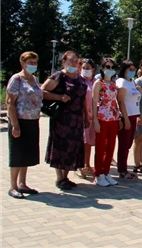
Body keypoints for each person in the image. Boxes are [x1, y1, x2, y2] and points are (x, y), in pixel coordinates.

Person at [42, 51, 88, 190]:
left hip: (77, 119)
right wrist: (59, 97)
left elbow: (83, 100)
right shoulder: (59, 76)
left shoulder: (79, 79)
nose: (74, 63)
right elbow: (42, 91)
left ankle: (66, 177)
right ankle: (59, 178)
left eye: (76, 61)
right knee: (61, 147)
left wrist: (85, 115)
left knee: (72, 148)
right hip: (62, 118)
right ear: (64, 62)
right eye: (71, 61)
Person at [6, 51, 43, 199]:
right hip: (19, 121)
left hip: (32, 120)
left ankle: (22, 183)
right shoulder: (17, 79)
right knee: (17, 153)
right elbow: (10, 103)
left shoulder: (34, 79)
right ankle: (13, 186)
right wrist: (15, 125)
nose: (33, 65)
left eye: (35, 62)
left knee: (27, 153)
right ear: (23, 63)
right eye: (30, 62)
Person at [92, 57, 121, 187]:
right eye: (107, 67)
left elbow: (115, 101)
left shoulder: (114, 84)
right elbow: (94, 102)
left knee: (110, 146)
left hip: (113, 118)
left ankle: (106, 172)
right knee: (100, 146)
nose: (110, 70)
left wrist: (118, 117)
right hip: (102, 117)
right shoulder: (98, 83)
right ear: (102, 68)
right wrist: (95, 120)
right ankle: (98, 174)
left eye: (112, 68)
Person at [116, 60, 142, 180]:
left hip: (133, 116)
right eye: (129, 70)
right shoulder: (121, 82)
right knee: (123, 144)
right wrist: (125, 119)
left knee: (128, 144)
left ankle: (124, 167)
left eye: (133, 69)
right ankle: (122, 170)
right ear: (124, 70)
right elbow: (121, 101)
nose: (132, 72)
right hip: (125, 116)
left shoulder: (131, 82)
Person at [76, 58, 97, 179]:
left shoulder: (95, 81)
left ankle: (87, 164)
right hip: (81, 115)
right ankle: (79, 166)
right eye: (83, 68)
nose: (85, 70)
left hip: (93, 116)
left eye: (88, 68)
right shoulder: (79, 81)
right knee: (81, 141)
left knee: (88, 142)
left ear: (93, 69)